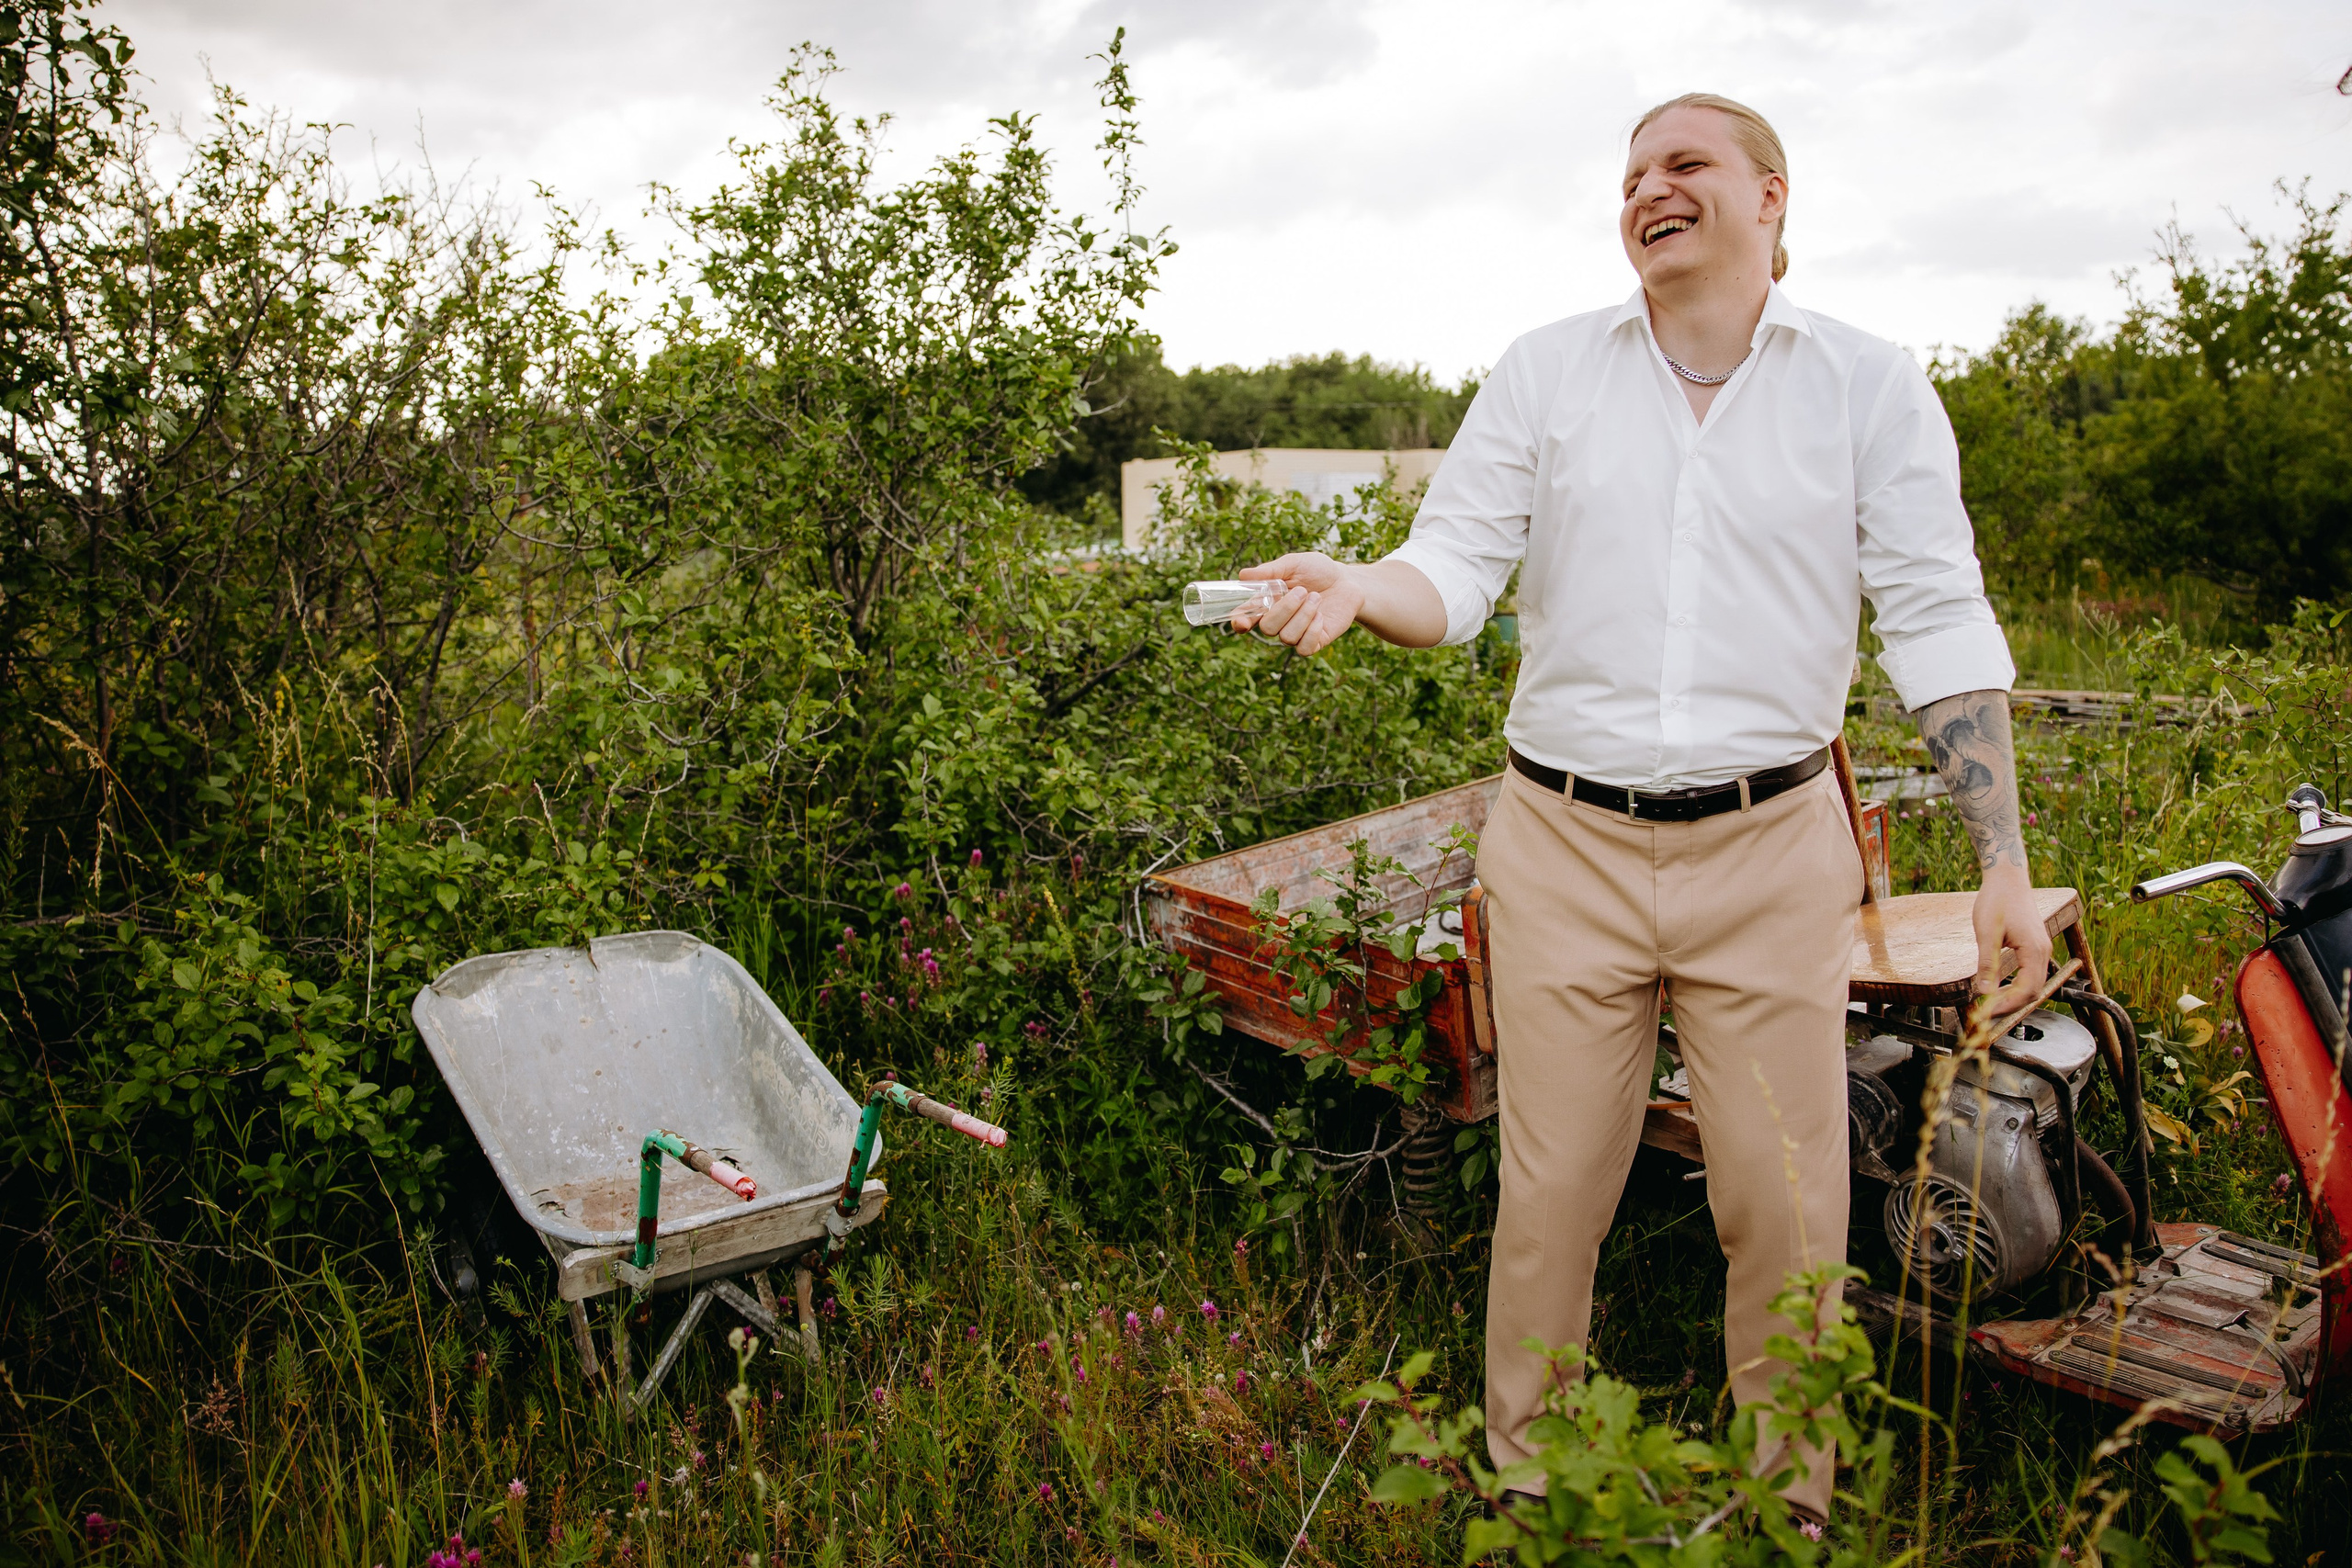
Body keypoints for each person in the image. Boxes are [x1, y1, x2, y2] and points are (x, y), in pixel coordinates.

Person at [1232, 92, 2047, 1521]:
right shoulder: (1547, 372)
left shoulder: (1868, 386)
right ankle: (1533, 1498)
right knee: (1550, 1199)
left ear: (1772, 196)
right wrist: (1360, 588)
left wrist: (2003, 860)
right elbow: (1452, 570)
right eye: (1630, 175)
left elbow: (1938, 619)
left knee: (1785, 1208)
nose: (1647, 190)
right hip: (1564, 849)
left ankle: (1785, 1515)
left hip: (1771, 851)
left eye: (1684, 164)